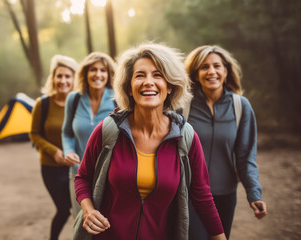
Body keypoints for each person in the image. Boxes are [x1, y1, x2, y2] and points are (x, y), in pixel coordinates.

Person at [73, 43, 226, 240]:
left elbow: (203, 198)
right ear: (129, 88)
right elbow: (82, 177)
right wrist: (88, 210)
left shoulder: (186, 137)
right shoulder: (107, 130)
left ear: (169, 86)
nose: (148, 82)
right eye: (140, 75)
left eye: (158, 75)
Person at [184, 45, 267, 239]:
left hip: (225, 194)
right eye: (204, 67)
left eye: (217, 66)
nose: (211, 71)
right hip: (190, 195)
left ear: (225, 71)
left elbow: (246, 157)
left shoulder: (241, 106)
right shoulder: (183, 106)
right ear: (196, 75)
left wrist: (254, 193)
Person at [62, 52, 117, 218]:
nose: (98, 74)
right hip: (78, 173)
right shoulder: (74, 99)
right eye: (93, 69)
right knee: (81, 222)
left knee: (106, 224)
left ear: (109, 75)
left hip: (109, 176)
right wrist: (68, 151)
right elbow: (67, 132)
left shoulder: (117, 100)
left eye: (103, 70)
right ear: (85, 73)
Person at [29, 54, 78, 240]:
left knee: (79, 210)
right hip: (51, 168)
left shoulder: (80, 105)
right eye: (59, 76)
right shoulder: (43, 104)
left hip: (75, 168)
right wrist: (54, 151)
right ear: (53, 78)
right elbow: (34, 134)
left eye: (67, 76)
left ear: (74, 79)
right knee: (64, 209)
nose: (63, 80)